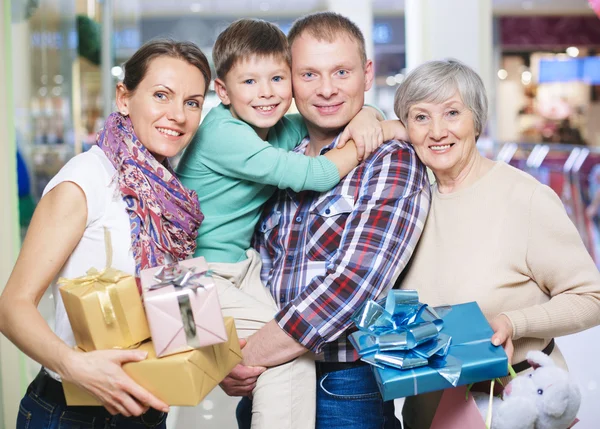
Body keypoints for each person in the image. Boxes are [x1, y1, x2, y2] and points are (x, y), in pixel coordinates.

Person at [176, 18, 406, 429]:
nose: (266, 92)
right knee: (288, 365)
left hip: (341, 377)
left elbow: (352, 285)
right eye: (309, 74)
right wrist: (217, 358)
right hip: (197, 276)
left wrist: (371, 117)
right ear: (223, 91)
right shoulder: (232, 135)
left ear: (367, 74)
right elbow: (314, 175)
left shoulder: (280, 132)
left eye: (277, 78)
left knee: (288, 360)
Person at [0, 39, 211, 429]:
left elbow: (180, 314)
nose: (177, 115)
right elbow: (11, 307)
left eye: (192, 102)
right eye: (161, 95)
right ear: (124, 98)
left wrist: (215, 361)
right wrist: (74, 365)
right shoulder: (87, 178)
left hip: (146, 408)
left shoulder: (173, 193)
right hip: (72, 414)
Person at [392, 59, 600, 429]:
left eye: (452, 113)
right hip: (427, 409)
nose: (437, 131)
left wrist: (513, 323)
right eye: (420, 117)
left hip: (513, 405)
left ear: (477, 120)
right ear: (406, 128)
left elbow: (591, 298)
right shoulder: (407, 203)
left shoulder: (525, 198)